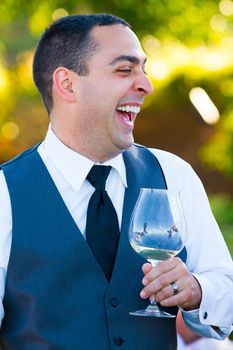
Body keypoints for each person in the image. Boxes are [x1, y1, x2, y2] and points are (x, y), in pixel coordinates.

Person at [0, 13, 232, 350]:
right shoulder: (5, 194)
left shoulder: (174, 175)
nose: (146, 85)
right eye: (125, 70)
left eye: (144, 70)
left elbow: (225, 299)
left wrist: (197, 290)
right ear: (67, 84)